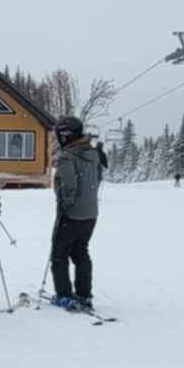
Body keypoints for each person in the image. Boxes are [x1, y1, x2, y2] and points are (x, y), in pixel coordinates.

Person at [49, 114, 103, 313]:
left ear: (66, 135)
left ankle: (64, 295)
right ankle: (84, 294)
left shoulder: (67, 156)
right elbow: (97, 179)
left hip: (71, 214)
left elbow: (68, 184)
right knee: (80, 252)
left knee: (59, 254)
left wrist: (66, 204)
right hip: (90, 214)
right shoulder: (93, 154)